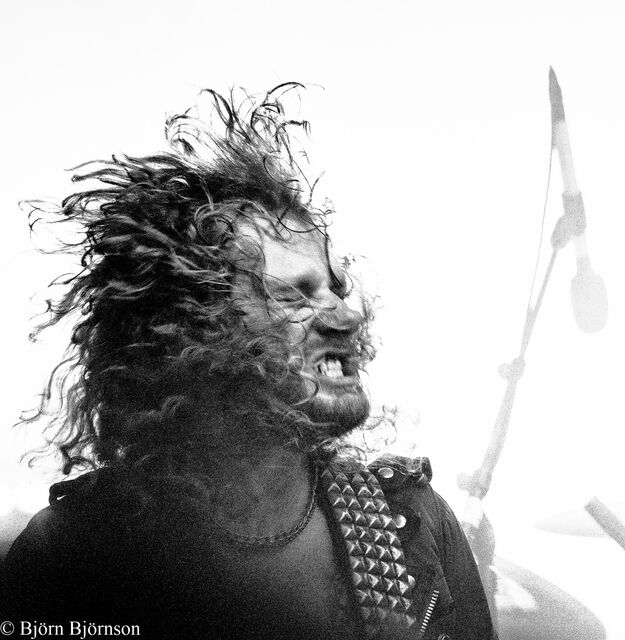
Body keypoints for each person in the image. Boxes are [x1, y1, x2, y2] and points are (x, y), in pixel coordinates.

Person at [1, 85, 497, 640]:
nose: (347, 314)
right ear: (190, 327)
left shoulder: (413, 524)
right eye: (294, 295)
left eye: (337, 288)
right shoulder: (75, 553)